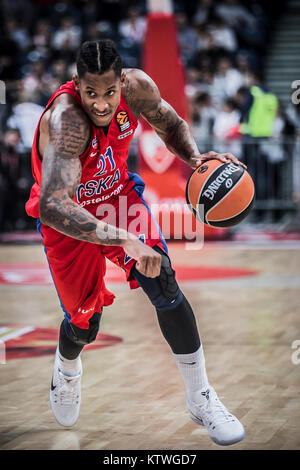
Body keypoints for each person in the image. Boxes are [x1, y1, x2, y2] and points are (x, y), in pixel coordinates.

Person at [25, 39, 246, 446]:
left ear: (122, 81)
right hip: (67, 222)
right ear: (77, 84)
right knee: (84, 326)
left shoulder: (139, 88)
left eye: (109, 92)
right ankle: (67, 371)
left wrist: (195, 159)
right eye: (91, 93)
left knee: (163, 279)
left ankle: (201, 397)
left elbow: (171, 124)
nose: (102, 103)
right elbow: (55, 206)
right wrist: (126, 239)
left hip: (117, 200)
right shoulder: (66, 120)